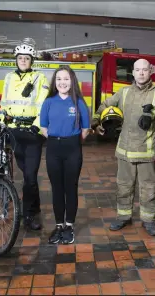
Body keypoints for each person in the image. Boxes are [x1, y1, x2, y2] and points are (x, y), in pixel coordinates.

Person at [92, 58, 155, 236]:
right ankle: (123, 217)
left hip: (146, 153)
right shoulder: (123, 92)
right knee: (123, 187)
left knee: (148, 189)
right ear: (133, 73)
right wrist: (96, 121)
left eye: (144, 70)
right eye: (137, 70)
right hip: (125, 152)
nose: (141, 73)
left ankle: (149, 220)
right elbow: (105, 105)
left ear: (151, 71)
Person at [0, 37, 49, 230]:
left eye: (26, 58)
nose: (23, 61)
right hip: (13, 132)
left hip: (32, 133)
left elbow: (43, 105)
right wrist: (3, 123)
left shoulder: (40, 78)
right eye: (20, 58)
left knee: (30, 175)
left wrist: (36, 126)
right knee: (22, 172)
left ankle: (30, 214)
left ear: (31, 61)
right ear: (16, 60)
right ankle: (28, 206)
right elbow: (4, 103)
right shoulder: (9, 78)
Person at [40, 65, 90, 244]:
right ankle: (59, 225)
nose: (62, 82)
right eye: (59, 79)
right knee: (57, 189)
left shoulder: (79, 103)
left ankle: (69, 225)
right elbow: (43, 127)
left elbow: (85, 129)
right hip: (53, 148)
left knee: (70, 187)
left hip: (73, 149)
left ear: (72, 81)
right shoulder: (48, 102)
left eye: (66, 79)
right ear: (55, 81)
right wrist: (56, 139)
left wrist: (71, 141)